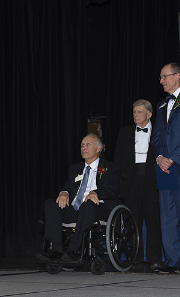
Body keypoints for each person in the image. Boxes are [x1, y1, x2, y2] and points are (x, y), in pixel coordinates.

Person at [36, 134, 120, 263]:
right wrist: (64, 192)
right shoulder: (75, 168)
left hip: (98, 208)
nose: (83, 148)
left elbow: (114, 189)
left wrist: (96, 192)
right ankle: (56, 250)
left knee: (88, 205)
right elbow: (69, 185)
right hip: (77, 210)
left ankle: (74, 249)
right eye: (82, 145)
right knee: (50, 204)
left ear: (99, 148)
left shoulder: (110, 167)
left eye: (88, 144)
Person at [151, 62, 180, 273]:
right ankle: (171, 260)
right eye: (160, 77)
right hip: (164, 167)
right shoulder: (161, 105)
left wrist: (174, 157)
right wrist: (160, 157)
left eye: (164, 76)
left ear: (177, 76)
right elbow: (157, 137)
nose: (161, 81)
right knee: (167, 216)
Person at [114, 99, 162, 270]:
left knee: (153, 221)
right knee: (132, 222)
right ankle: (135, 257)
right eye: (134, 112)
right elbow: (118, 159)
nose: (135, 115)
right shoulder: (125, 132)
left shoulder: (159, 131)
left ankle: (155, 258)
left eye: (139, 112)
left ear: (149, 114)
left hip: (151, 181)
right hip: (131, 182)